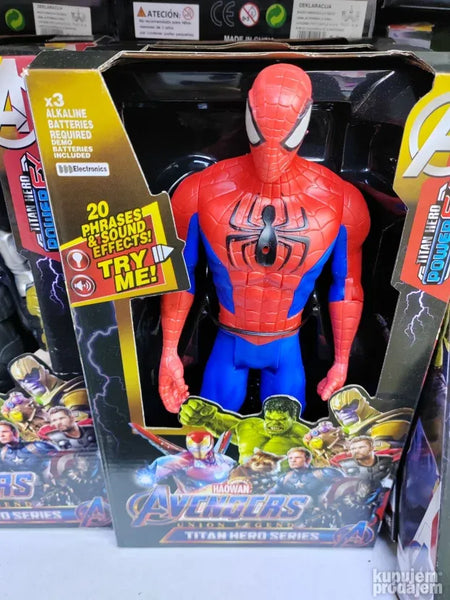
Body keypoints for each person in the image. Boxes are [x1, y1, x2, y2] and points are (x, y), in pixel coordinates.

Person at [159, 63, 370, 413]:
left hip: (286, 341)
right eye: (264, 128)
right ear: (249, 113)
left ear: (305, 121)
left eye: (285, 131)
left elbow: (347, 286)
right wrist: (168, 353)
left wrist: (342, 361)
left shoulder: (341, 200)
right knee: (210, 430)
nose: (272, 150)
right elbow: (179, 276)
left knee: (283, 436)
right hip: (230, 337)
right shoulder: (200, 190)